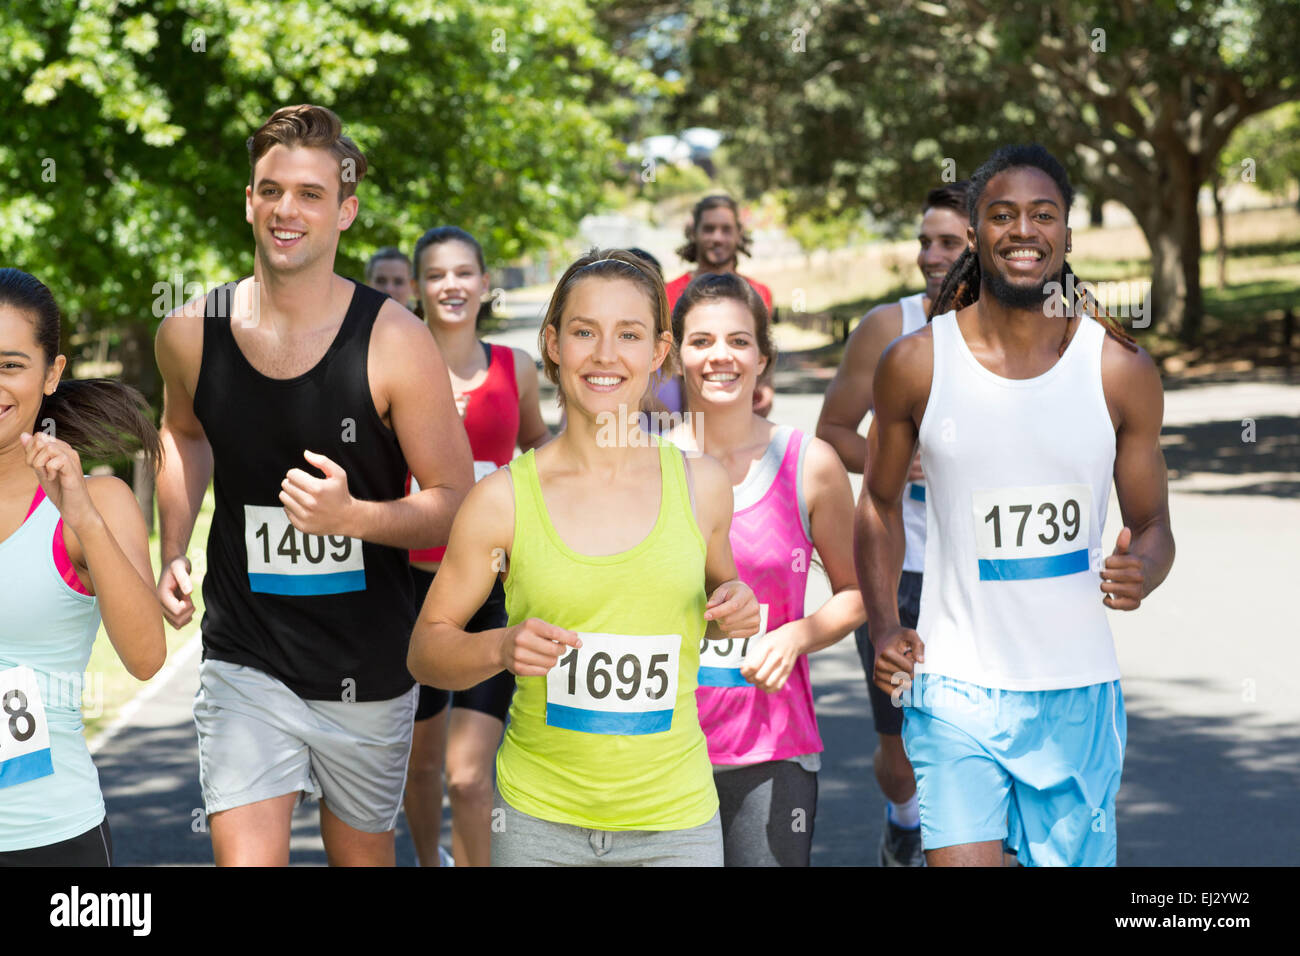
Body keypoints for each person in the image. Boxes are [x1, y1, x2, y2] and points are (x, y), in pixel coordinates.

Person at [154, 104, 474, 866]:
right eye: (270, 191)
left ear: (346, 211)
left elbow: (457, 503)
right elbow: (183, 433)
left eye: (309, 193)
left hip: (367, 666)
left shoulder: (395, 338)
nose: (285, 210)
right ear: (248, 201)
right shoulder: (191, 332)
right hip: (245, 656)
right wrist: (172, 546)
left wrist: (353, 517)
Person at [856, 143, 1175, 867]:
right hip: (954, 685)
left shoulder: (1120, 370)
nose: (1022, 230)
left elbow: (1153, 525)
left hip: (1077, 691)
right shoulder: (916, 362)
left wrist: (1145, 570)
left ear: (1066, 233)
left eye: (1042, 214)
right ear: (976, 231)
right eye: (1001, 215)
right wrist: (882, 628)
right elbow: (876, 505)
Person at [408, 249, 760, 867]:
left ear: (658, 351)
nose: (604, 355)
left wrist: (738, 606)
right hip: (540, 825)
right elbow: (426, 652)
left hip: (675, 825)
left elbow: (724, 599)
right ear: (553, 344)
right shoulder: (501, 502)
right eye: (583, 332)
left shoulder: (702, 485)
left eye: (628, 334)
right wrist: (499, 647)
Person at [668, 272, 864, 866]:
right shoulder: (642, 461)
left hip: (772, 750)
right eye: (700, 342)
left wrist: (795, 636)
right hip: (659, 748)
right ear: (674, 355)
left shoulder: (810, 463)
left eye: (737, 341)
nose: (719, 356)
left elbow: (855, 593)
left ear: (762, 358)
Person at [815, 181, 971, 866]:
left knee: (976, 729)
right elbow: (831, 430)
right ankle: (904, 821)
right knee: (898, 742)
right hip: (900, 567)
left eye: (949, 243)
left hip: (980, 572)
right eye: (925, 242)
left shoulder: (1020, 333)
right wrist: (892, 457)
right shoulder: (888, 327)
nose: (931, 256)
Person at [0, 268, 165, 866]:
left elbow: (146, 658)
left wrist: (84, 517)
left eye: (10, 365)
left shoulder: (96, 502)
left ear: (51, 374)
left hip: (50, 838)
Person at [402, 226, 550, 868]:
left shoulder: (515, 368)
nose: (452, 286)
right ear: (416, 287)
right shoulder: (394, 362)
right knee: (422, 765)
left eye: (465, 273)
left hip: (493, 589)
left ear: (486, 284)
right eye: (436, 275)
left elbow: (543, 453)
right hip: (408, 588)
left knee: (467, 775)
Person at [655, 197, 775, 416]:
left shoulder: (759, 293)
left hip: (745, 420)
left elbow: (764, 348)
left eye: (726, 230)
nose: (717, 238)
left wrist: (766, 385)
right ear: (694, 233)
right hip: (682, 420)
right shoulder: (666, 293)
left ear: (739, 235)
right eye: (709, 229)